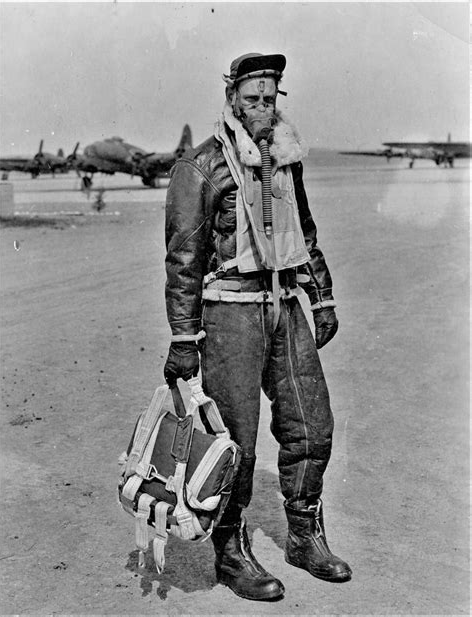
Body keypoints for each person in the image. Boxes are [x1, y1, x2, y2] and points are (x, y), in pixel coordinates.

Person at [163, 52, 351, 601]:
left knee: (311, 425)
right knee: (234, 441)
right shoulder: (201, 166)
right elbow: (182, 258)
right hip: (229, 312)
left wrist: (322, 298)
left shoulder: (289, 160)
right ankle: (228, 550)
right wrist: (183, 338)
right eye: (252, 100)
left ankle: (304, 536)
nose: (263, 110)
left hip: (285, 303)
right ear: (232, 100)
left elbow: (305, 232)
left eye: (270, 99)